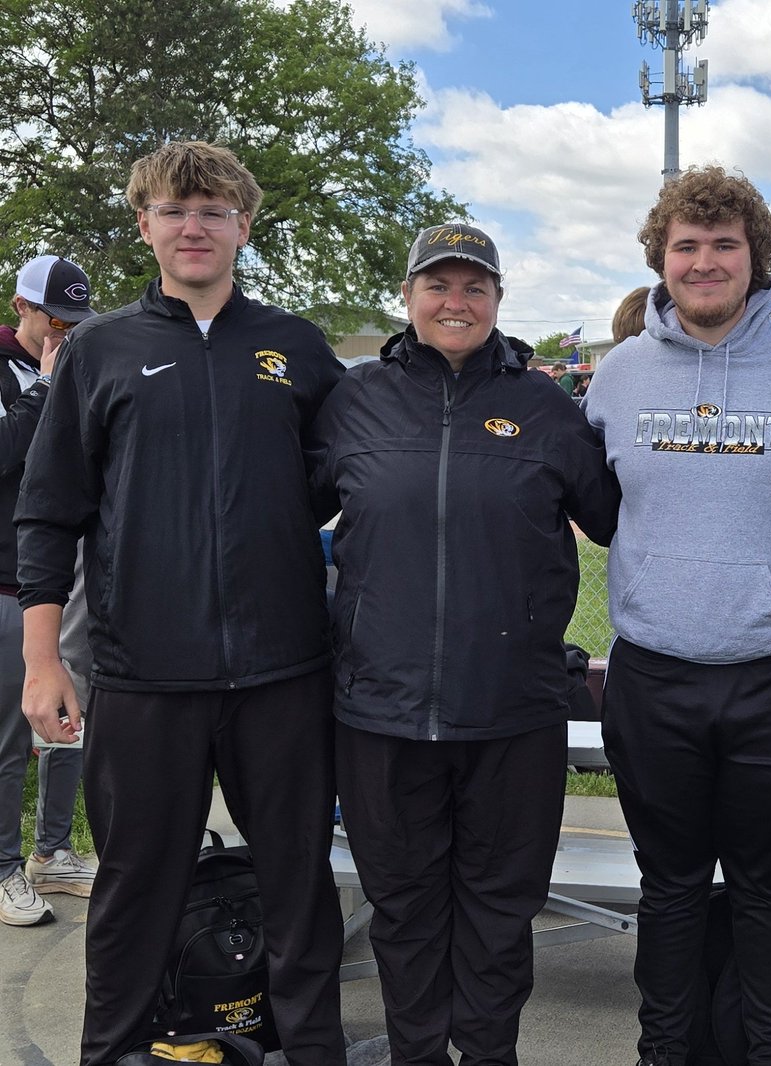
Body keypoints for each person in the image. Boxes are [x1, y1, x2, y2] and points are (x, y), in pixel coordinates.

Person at [16, 141, 347, 1066]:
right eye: (173, 210)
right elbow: (47, 516)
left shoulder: (299, 348)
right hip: (143, 675)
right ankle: (113, 1052)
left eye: (212, 211)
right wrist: (45, 661)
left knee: (297, 886)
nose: (193, 226)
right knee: (133, 890)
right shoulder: (99, 351)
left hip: (283, 675)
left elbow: (353, 481)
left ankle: (312, 1049)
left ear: (244, 225)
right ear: (145, 226)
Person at [582, 164, 771, 1066]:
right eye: (686, 247)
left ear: (757, 258)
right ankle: (663, 1054)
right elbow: (593, 506)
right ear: (659, 261)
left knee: (765, 889)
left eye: (724, 245)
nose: (704, 263)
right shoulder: (618, 376)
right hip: (654, 676)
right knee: (667, 891)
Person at [308, 222, 620, 1066]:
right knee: (404, 914)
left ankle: (488, 1055)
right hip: (380, 712)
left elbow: (618, 516)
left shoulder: (546, 406)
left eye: (474, 286)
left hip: (511, 713)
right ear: (408, 298)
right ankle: (415, 1055)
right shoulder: (354, 400)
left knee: (498, 912)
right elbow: (278, 516)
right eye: (438, 286)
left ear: (497, 300)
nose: (457, 302)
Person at [0, 255, 97, 928]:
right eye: (52, 319)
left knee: (68, 716)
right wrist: (44, 389)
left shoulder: (73, 365)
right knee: (9, 734)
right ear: (21, 309)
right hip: (7, 577)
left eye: (74, 320)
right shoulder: (19, 373)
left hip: (67, 570)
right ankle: (4, 866)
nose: (63, 332)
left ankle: (52, 851)